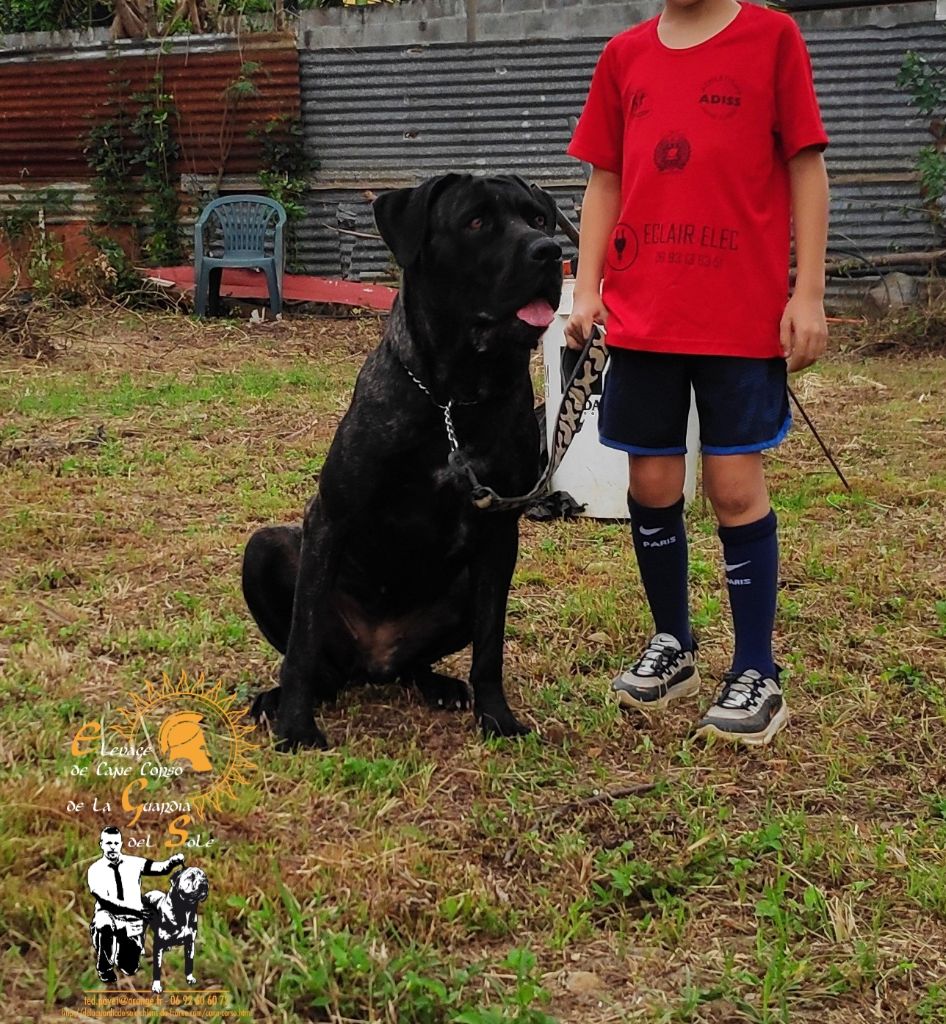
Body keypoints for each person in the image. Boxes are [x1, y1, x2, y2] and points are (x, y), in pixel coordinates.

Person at [565, 0, 829, 745]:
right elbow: (605, 179)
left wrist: (808, 292)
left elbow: (807, 168)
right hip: (643, 316)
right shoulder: (624, 55)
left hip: (739, 320)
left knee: (733, 489)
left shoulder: (773, 38)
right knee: (650, 484)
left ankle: (756, 671)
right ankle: (673, 643)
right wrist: (587, 287)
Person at [87, 826, 184, 982]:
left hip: (132, 922)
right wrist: (135, 911)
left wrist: (171, 863)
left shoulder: (133, 863)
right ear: (102, 844)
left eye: (115, 843)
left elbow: (158, 868)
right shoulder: (95, 870)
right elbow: (106, 902)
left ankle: (149, 942)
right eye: (108, 843)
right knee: (103, 923)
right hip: (109, 915)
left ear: (120, 844)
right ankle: (105, 967)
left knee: (129, 966)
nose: (112, 847)